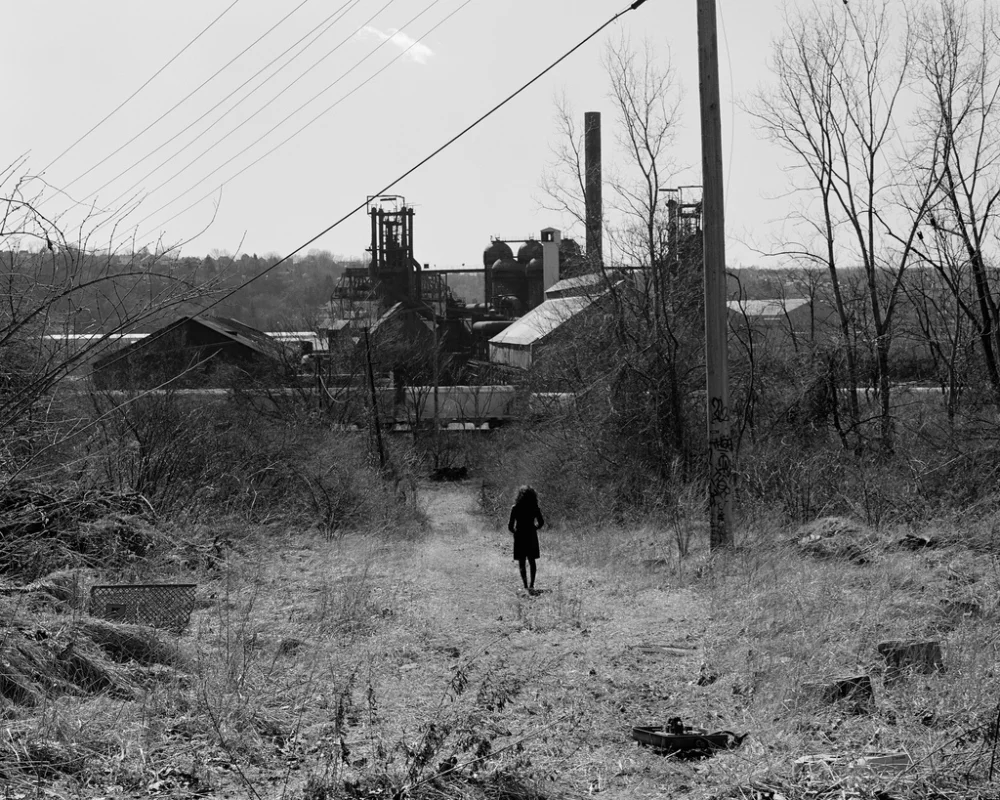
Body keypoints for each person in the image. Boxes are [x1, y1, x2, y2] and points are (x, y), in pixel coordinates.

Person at [508, 485, 544, 592]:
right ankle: (532, 585)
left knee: (522, 561)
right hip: (531, 535)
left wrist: (515, 532)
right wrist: (534, 528)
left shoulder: (515, 508)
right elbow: (541, 522)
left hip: (520, 535)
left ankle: (525, 586)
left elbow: (510, 526)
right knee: (532, 560)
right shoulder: (535, 507)